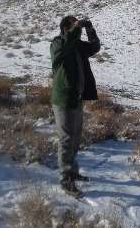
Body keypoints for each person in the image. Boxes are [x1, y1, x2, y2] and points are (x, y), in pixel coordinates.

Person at [50, 15, 100, 197]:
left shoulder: (77, 45)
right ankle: (65, 179)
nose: (77, 29)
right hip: (62, 100)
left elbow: (95, 47)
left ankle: (73, 171)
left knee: (76, 138)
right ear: (66, 29)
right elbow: (66, 44)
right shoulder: (57, 44)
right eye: (74, 25)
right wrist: (76, 28)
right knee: (66, 140)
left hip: (77, 99)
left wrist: (89, 28)